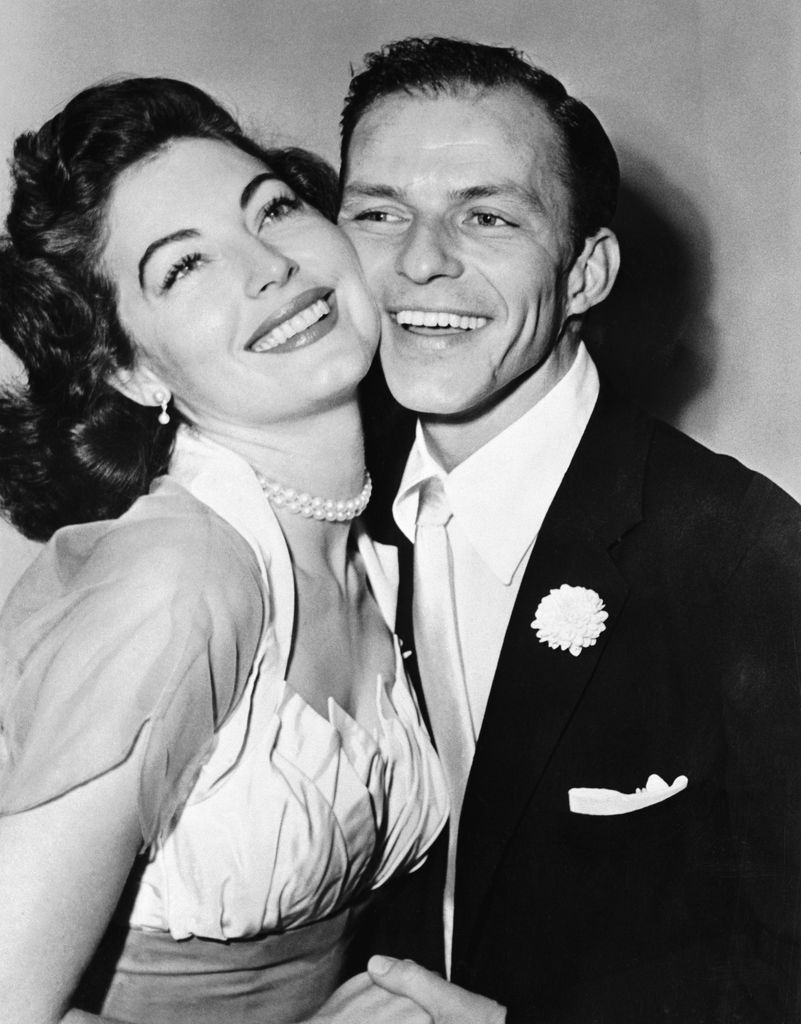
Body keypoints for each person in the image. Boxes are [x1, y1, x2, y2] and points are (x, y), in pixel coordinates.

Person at [337, 36, 801, 1023]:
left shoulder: (746, 551)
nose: (420, 260)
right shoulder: (324, 506)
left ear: (586, 272)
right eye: (378, 213)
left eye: (487, 215)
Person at [0, 76, 449, 1024]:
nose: (267, 267)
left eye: (275, 209)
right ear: (132, 366)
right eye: (184, 267)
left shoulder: (378, 546)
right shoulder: (181, 580)